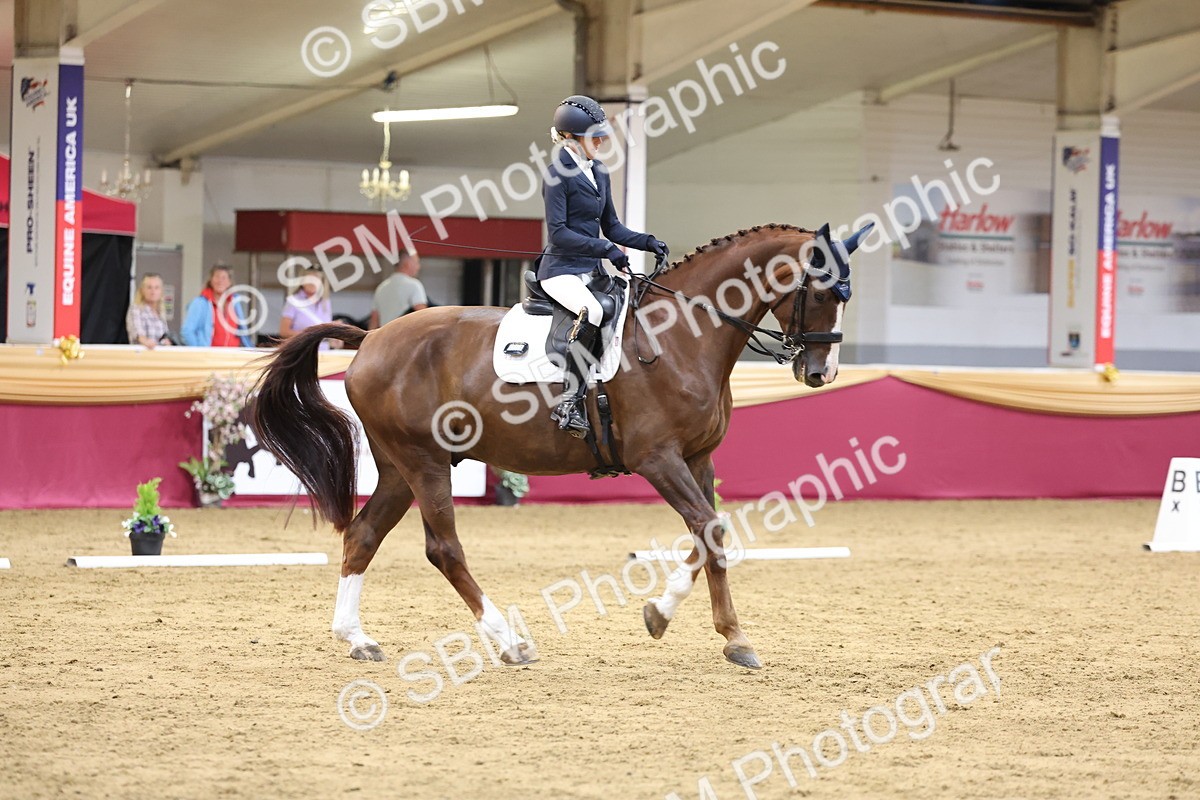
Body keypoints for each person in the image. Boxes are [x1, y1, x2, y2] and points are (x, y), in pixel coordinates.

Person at [537, 95, 668, 438]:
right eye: (594, 138)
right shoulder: (556, 175)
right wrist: (606, 249)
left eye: (601, 137)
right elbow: (559, 233)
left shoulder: (599, 172)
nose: (600, 143)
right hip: (561, 271)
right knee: (593, 311)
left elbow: (612, 227)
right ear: (570, 138)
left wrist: (647, 241)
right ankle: (570, 401)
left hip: (591, 271)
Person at [181, 265, 254, 347]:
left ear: (229, 282)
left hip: (233, 353)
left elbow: (242, 331)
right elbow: (187, 331)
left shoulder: (235, 302)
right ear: (211, 280)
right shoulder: (200, 303)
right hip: (210, 353)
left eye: (224, 278)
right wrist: (200, 351)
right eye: (217, 277)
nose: (220, 281)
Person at [279, 267, 343, 350]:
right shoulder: (293, 301)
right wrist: (310, 335)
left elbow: (322, 328)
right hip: (300, 351)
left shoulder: (325, 302)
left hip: (323, 351)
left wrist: (335, 334)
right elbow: (284, 332)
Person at [370, 251, 428, 329]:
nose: (418, 267)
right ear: (408, 263)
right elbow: (423, 317)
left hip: (385, 335)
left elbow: (374, 322)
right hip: (404, 334)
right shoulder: (414, 285)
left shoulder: (381, 288)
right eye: (417, 262)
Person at [126, 273, 174, 349]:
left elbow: (164, 334)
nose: (153, 291)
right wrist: (146, 342)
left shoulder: (160, 312)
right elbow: (137, 333)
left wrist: (166, 342)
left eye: (156, 288)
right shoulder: (136, 309)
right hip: (142, 353)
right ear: (142, 290)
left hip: (160, 353)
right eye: (149, 287)